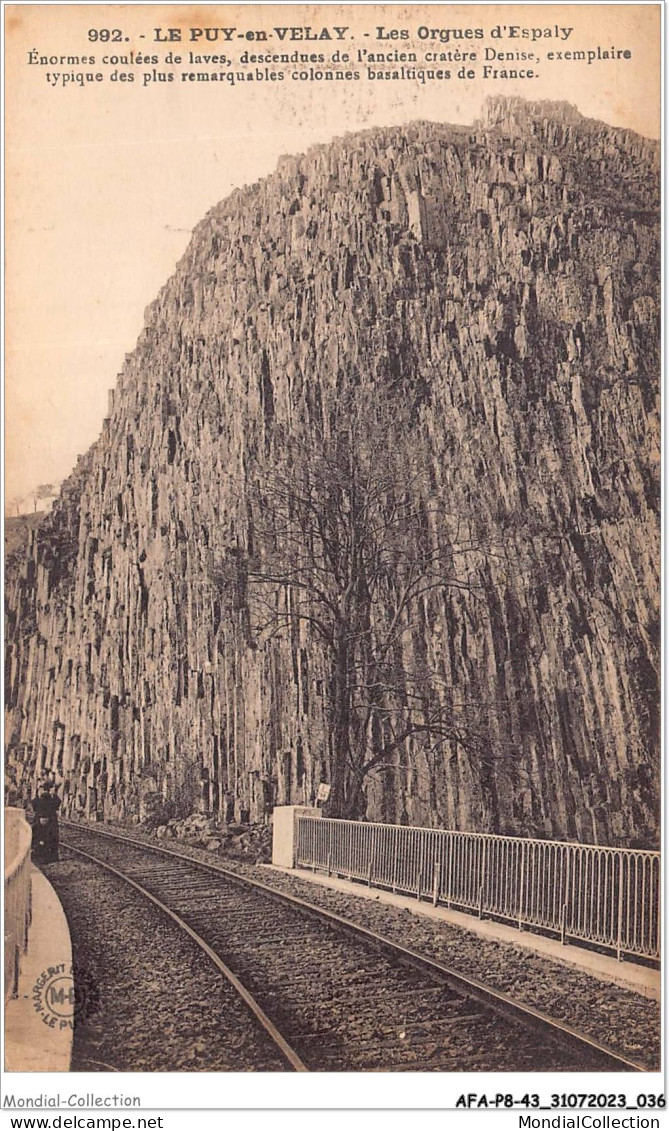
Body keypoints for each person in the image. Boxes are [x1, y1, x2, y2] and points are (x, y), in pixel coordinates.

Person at [31, 780, 61, 863]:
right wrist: (54, 794)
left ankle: (36, 851)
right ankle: (54, 855)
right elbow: (58, 803)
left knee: (36, 834)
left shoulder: (39, 800)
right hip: (51, 821)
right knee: (54, 836)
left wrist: (36, 793)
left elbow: (34, 805)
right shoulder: (52, 799)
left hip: (39, 821)